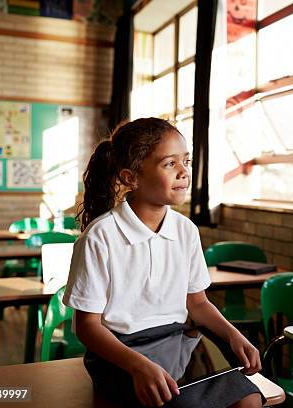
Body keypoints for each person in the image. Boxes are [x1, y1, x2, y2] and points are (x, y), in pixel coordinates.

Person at [63, 118, 263, 408]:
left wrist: (233, 335)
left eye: (186, 160)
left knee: (249, 398)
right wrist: (138, 366)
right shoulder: (100, 237)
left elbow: (197, 303)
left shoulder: (186, 230)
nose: (184, 171)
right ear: (131, 177)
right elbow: (87, 327)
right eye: (170, 164)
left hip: (177, 343)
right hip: (119, 352)